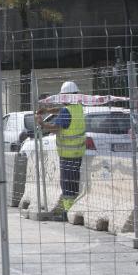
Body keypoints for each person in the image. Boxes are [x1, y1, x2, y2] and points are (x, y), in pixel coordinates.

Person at [35, 80, 85, 214]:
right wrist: (48, 110)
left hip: (67, 154)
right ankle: (72, 209)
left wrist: (42, 124)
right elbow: (62, 111)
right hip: (78, 153)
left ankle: (67, 212)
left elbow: (56, 128)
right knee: (74, 183)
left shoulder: (66, 111)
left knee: (67, 184)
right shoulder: (78, 107)